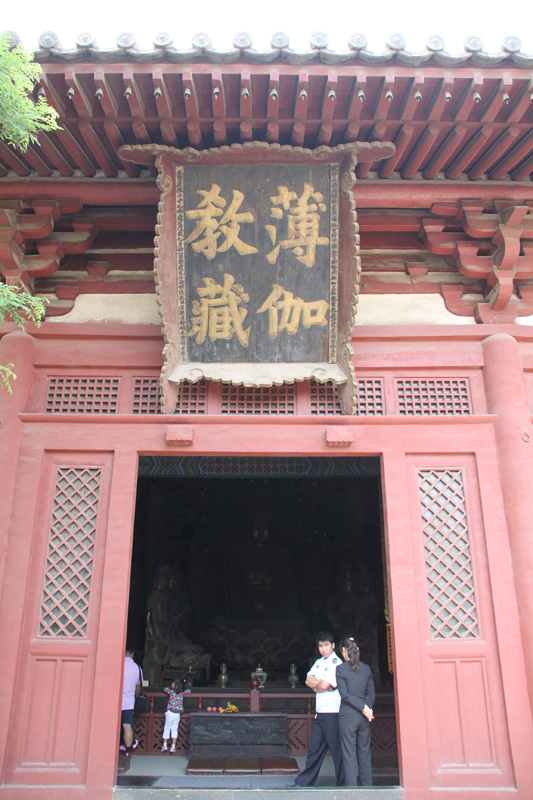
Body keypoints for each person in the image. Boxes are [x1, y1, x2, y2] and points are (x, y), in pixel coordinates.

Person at [294, 631, 344, 787]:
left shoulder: (337, 663)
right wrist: (319, 685)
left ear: (333, 646)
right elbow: (308, 681)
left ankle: (344, 784)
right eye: (321, 646)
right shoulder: (318, 662)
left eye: (326, 645)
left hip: (333, 713)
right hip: (320, 713)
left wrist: (319, 685)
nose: (323, 649)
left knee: (337, 751)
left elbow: (323, 685)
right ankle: (304, 782)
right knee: (314, 750)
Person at [336, 636, 375, 786]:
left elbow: (345, 695)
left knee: (349, 755)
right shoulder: (366, 668)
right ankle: (368, 788)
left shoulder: (340, 669)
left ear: (343, 651)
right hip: (364, 717)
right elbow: (371, 693)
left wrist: (363, 708)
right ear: (357, 650)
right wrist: (366, 708)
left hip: (348, 717)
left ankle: (352, 790)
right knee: (365, 753)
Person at [121, 645, 142, 756]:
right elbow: (138, 689)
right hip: (129, 700)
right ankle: (128, 750)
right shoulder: (137, 668)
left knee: (113, 724)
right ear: (132, 654)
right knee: (127, 725)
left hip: (115, 699)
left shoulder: (118, 663)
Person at [161, 679, 191, 753]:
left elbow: (165, 689)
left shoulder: (171, 692)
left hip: (170, 711)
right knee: (174, 729)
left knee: (167, 727)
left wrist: (171, 688)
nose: (172, 684)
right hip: (177, 713)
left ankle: (165, 745)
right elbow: (188, 690)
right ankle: (173, 746)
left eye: (173, 683)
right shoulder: (181, 693)